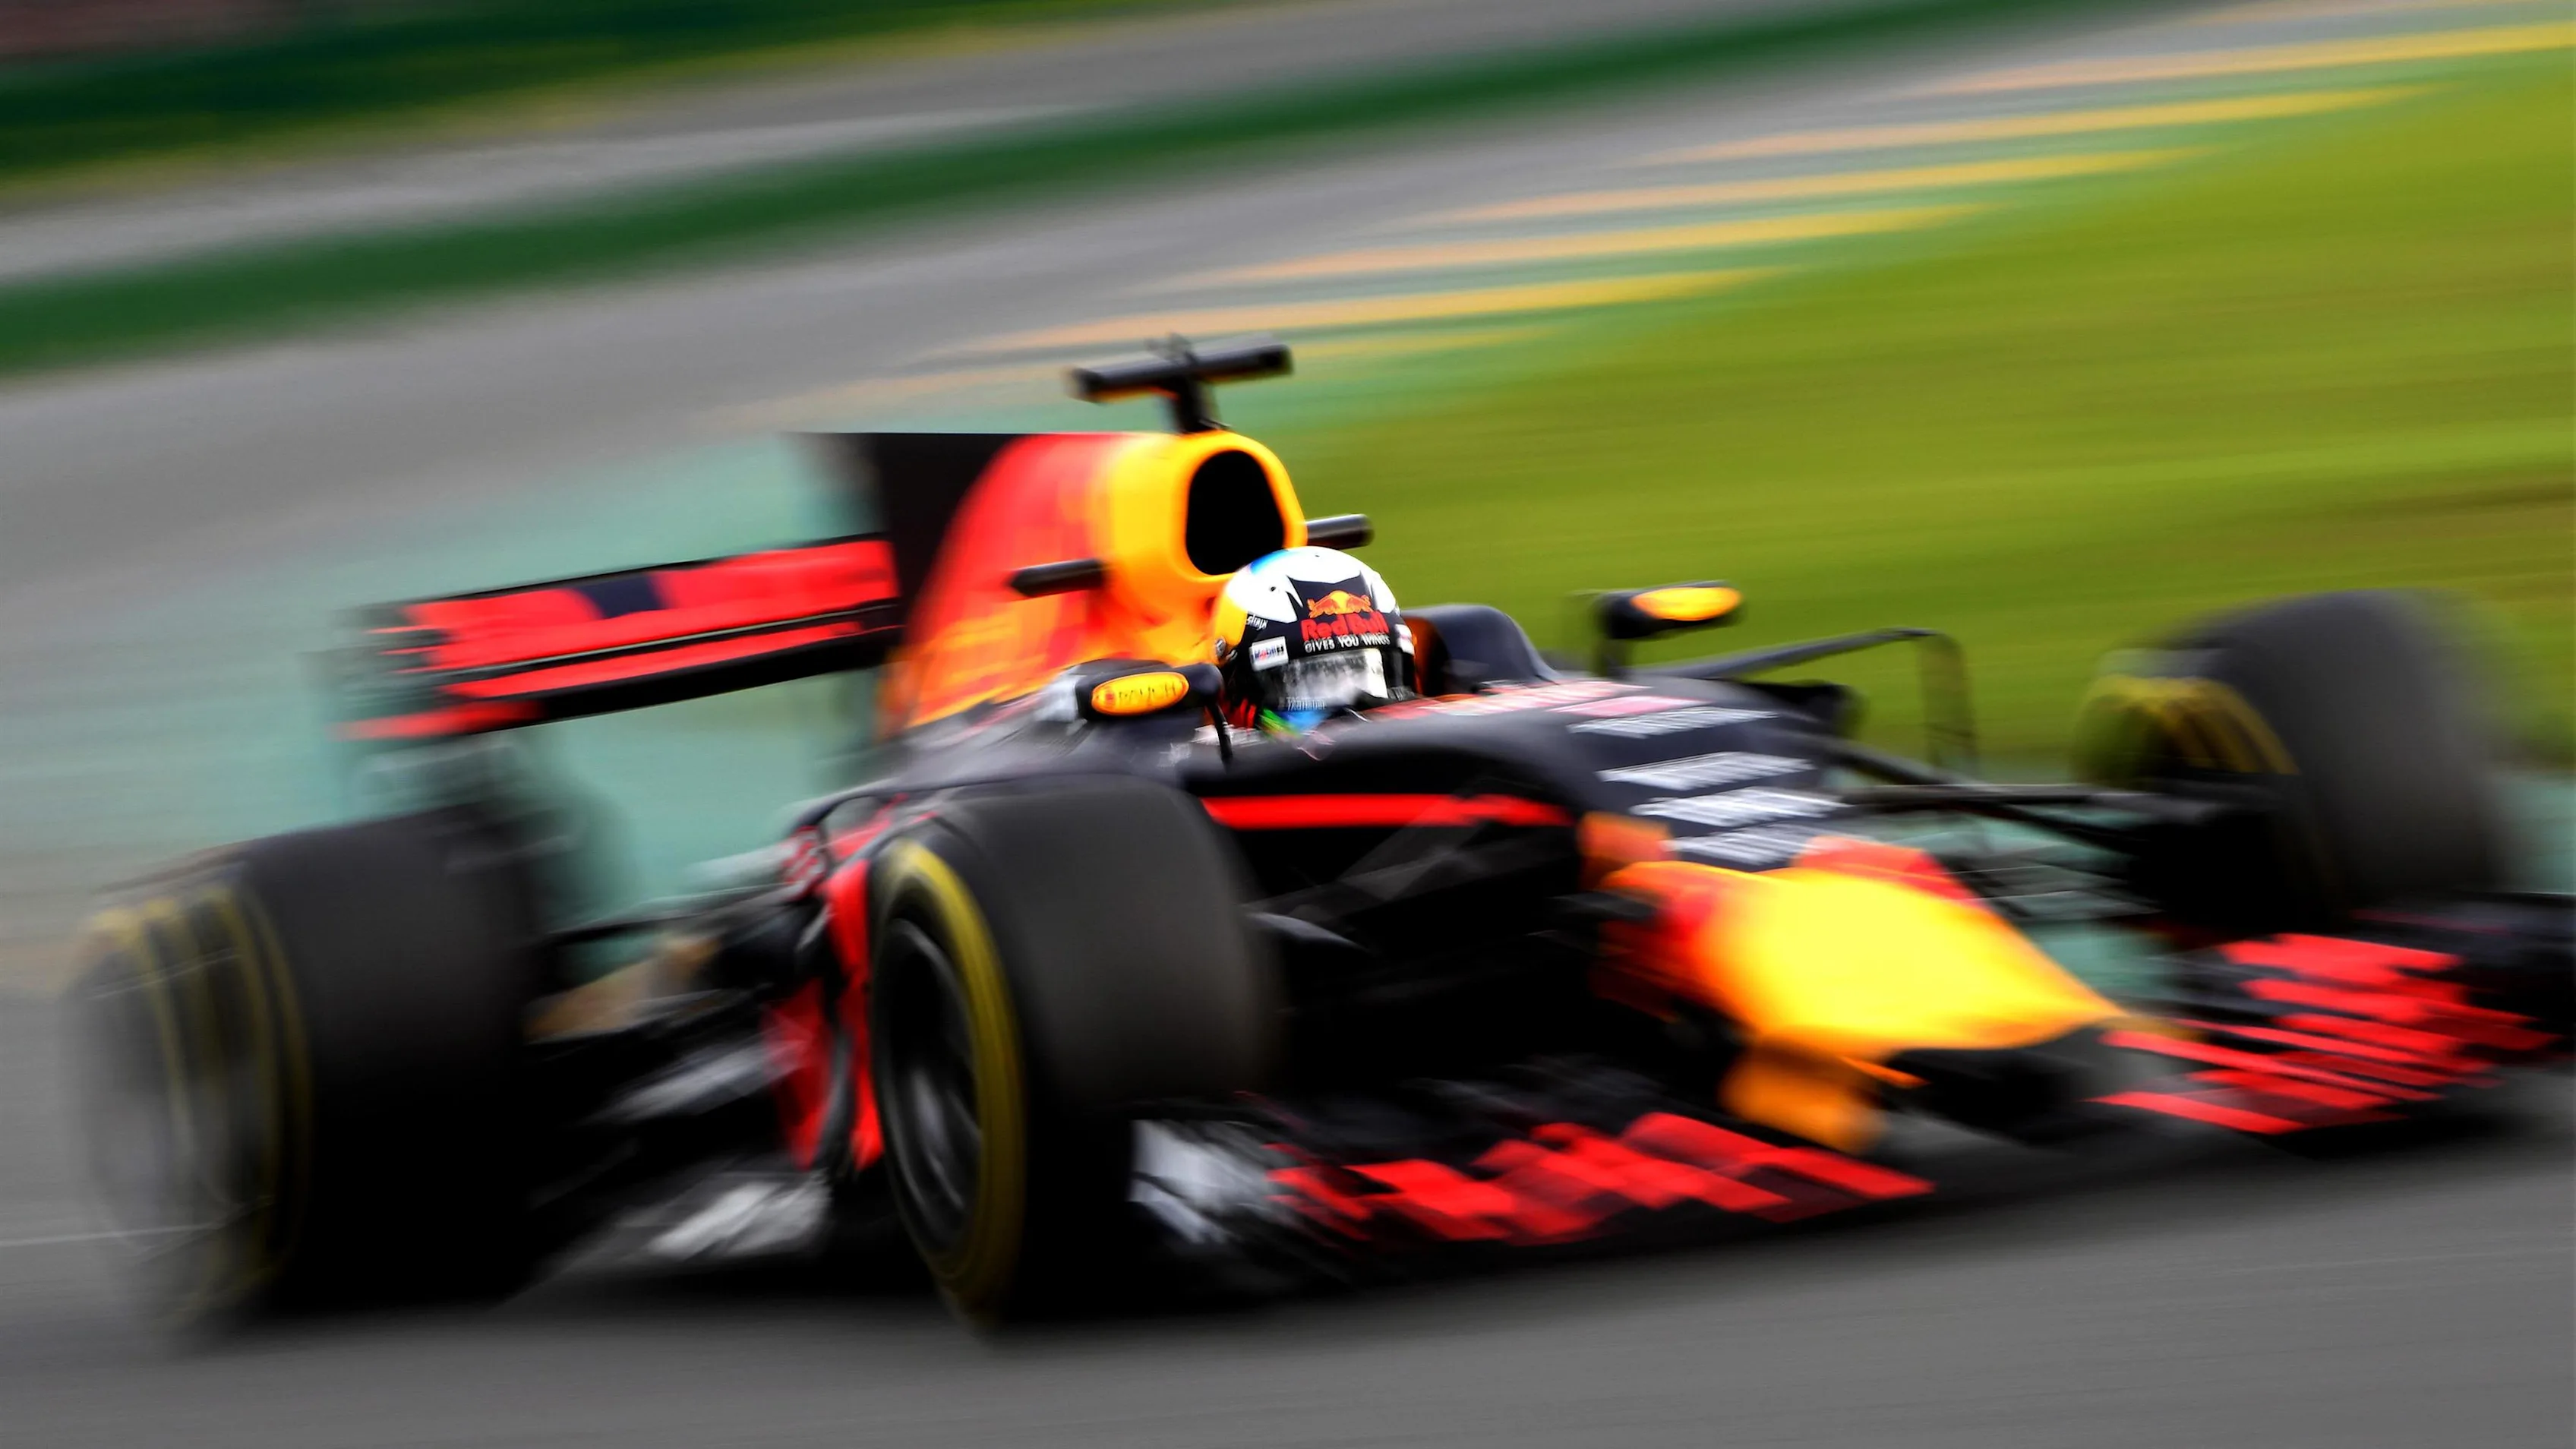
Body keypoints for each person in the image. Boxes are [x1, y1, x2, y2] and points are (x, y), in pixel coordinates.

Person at [1211, 546, 1415, 733]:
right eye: (1316, 678)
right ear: (1234, 684)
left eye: (1369, 671)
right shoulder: (1202, 751)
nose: (1357, 710)